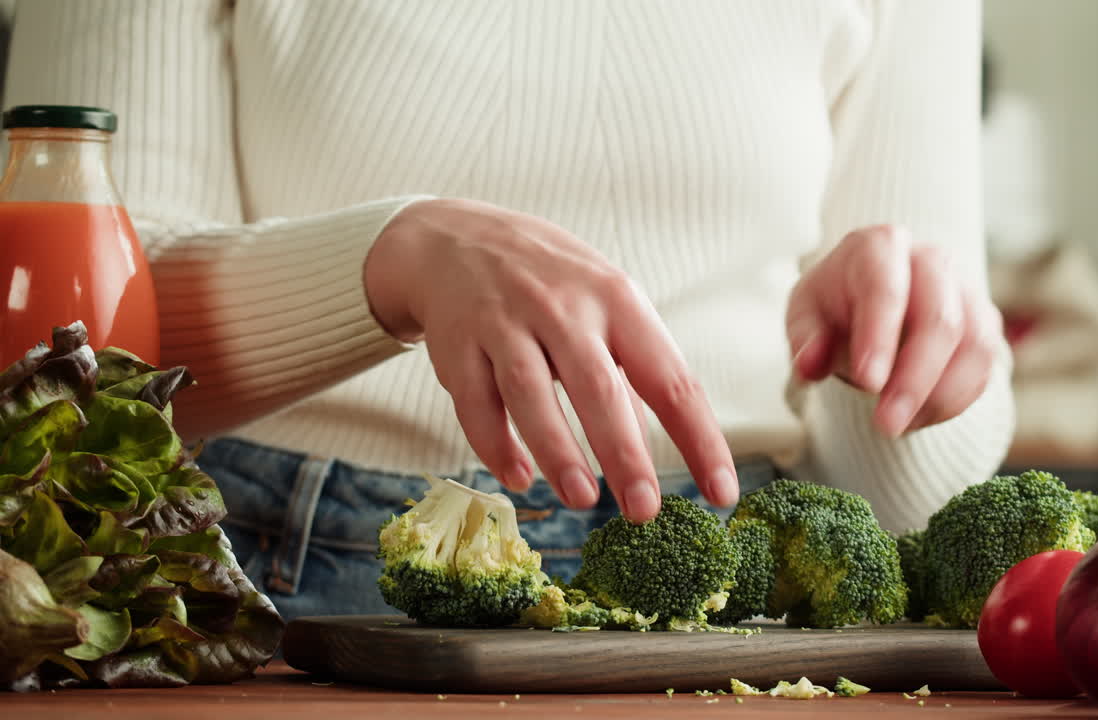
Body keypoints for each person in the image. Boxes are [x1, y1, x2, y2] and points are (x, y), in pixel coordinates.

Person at [4, 0, 1013, 617]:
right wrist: (385, 262)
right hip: (282, 582)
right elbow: (58, 370)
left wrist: (890, 371)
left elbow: (913, 504)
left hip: (733, 594)